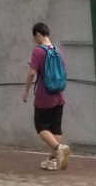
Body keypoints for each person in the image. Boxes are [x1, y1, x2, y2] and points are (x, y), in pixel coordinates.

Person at [22, 21, 70, 171]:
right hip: (59, 95)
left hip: (44, 96)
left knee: (40, 126)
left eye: (34, 37)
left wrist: (26, 90)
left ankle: (59, 148)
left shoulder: (38, 51)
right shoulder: (58, 51)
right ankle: (52, 161)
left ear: (38, 34)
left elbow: (31, 73)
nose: (34, 40)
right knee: (56, 128)